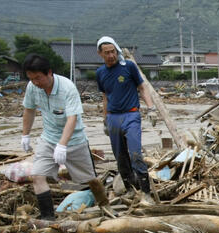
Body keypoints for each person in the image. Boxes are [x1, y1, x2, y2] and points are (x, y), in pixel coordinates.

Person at [20, 53, 114, 220]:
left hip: (75, 141)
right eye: (31, 78)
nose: (35, 82)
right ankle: (48, 217)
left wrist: (63, 145)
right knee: (37, 176)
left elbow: (72, 118)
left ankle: (106, 209)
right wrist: (25, 135)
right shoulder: (32, 87)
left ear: (49, 72)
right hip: (48, 139)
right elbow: (29, 109)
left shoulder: (67, 88)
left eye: (38, 78)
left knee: (90, 181)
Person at [95, 36, 155, 202]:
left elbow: (142, 87)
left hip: (131, 114)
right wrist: (104, 120)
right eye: (106, 53)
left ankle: (146, 192)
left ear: (117, 50)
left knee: (135, 153)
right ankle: (130, 188)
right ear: (100, 54)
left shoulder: (128, 67)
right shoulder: (100, 73)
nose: (111, 55)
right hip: (113, 118)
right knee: (120, 156)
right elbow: (105, 96)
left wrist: (151, 108)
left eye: (113, 51)